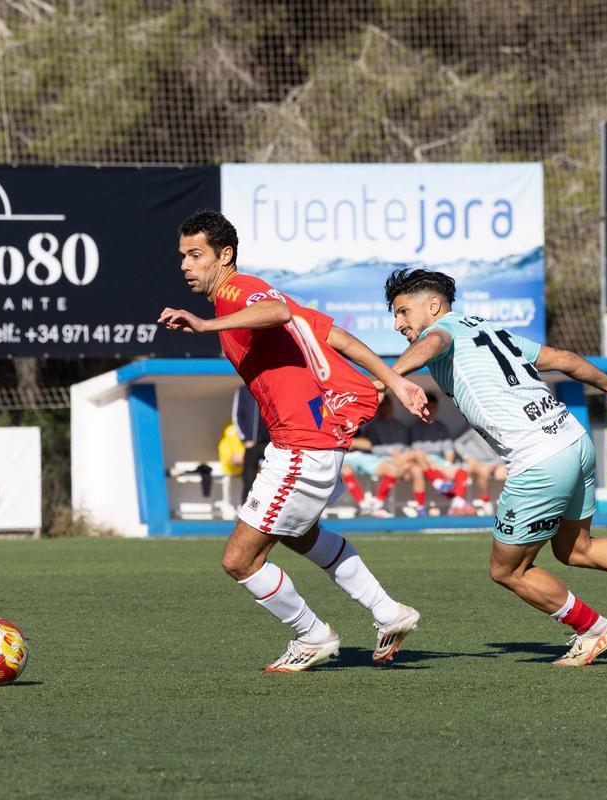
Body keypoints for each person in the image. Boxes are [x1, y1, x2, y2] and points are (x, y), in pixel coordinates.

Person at [383, 268, 607, 667]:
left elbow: (435, 340)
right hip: (573, 440)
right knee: (577, 548)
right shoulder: (491, 331)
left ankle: (594, 629)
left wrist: (386, 378)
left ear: (433, 305)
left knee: (507, 571)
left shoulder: (443, 332)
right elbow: (563, 359)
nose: (398, 323)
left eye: (403, 311)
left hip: (539, 458)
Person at [158, 210, 426, 672]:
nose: (185, 264)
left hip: (302, 444)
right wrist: (395, 381)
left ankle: (313, 635)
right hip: (308, 441)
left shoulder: (236, 291)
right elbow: (335, 335)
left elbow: (277, 312)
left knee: (239, 560)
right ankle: (388, 612)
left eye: (195, 254)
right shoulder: (251, 295)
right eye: (182, 255)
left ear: (225, 256)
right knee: (301, 535)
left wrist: (203, 326)